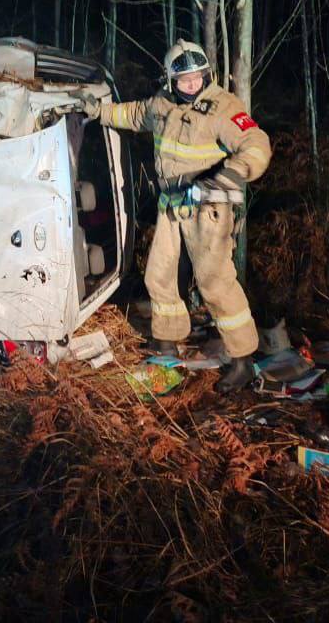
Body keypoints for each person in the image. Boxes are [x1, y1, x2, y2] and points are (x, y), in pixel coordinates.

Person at [73, 40, 271, 393]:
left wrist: (235, 173)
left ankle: (243, 359)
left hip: (208, 202)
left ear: (206, 74)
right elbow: (133, 114)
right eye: (184, 80)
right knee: (159, 274)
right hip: (172, 200)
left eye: (197, 77)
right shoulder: (162, 103)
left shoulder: (223, 107)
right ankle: (166, 342)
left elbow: (255, 141)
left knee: (215, 282)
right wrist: (98, 112)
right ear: (170, 81)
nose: (192, 85)